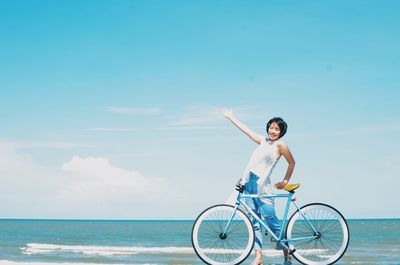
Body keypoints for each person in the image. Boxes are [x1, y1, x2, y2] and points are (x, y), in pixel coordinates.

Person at [222, 107, 295, 265]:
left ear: (281, 132)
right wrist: (231, 117)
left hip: (262, 188)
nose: (273, 130)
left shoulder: (281, 145)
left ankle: (287, 253)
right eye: (271, 127)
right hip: (249, 184)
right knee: (254, 222)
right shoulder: (262, 141)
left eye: (277, 129)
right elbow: (246, 130)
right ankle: (258, 257)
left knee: (272, 222)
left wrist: (285, 182)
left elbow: (292, 163)